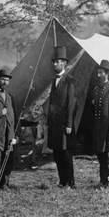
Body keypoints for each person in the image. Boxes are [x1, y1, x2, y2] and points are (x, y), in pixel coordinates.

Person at [88, 59, 109, 187]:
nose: (98, 75)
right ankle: (103, 181)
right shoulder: (96, 90)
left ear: (107, 74)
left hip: (108, 130)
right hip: (98, 130)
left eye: (101, 72)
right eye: (98, 72)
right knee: (101, 157)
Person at [47, 45, 76, 189]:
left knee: (66, 154)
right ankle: (62, 181)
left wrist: (69, 124)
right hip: (54, 125)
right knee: (57, 154)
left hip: (65, 125)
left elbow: (71, 104)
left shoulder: (69, 80)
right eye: (54, 62)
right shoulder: (53, 81)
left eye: (57, 62)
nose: (54, 64)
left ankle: (70, 182)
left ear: (64, 63)